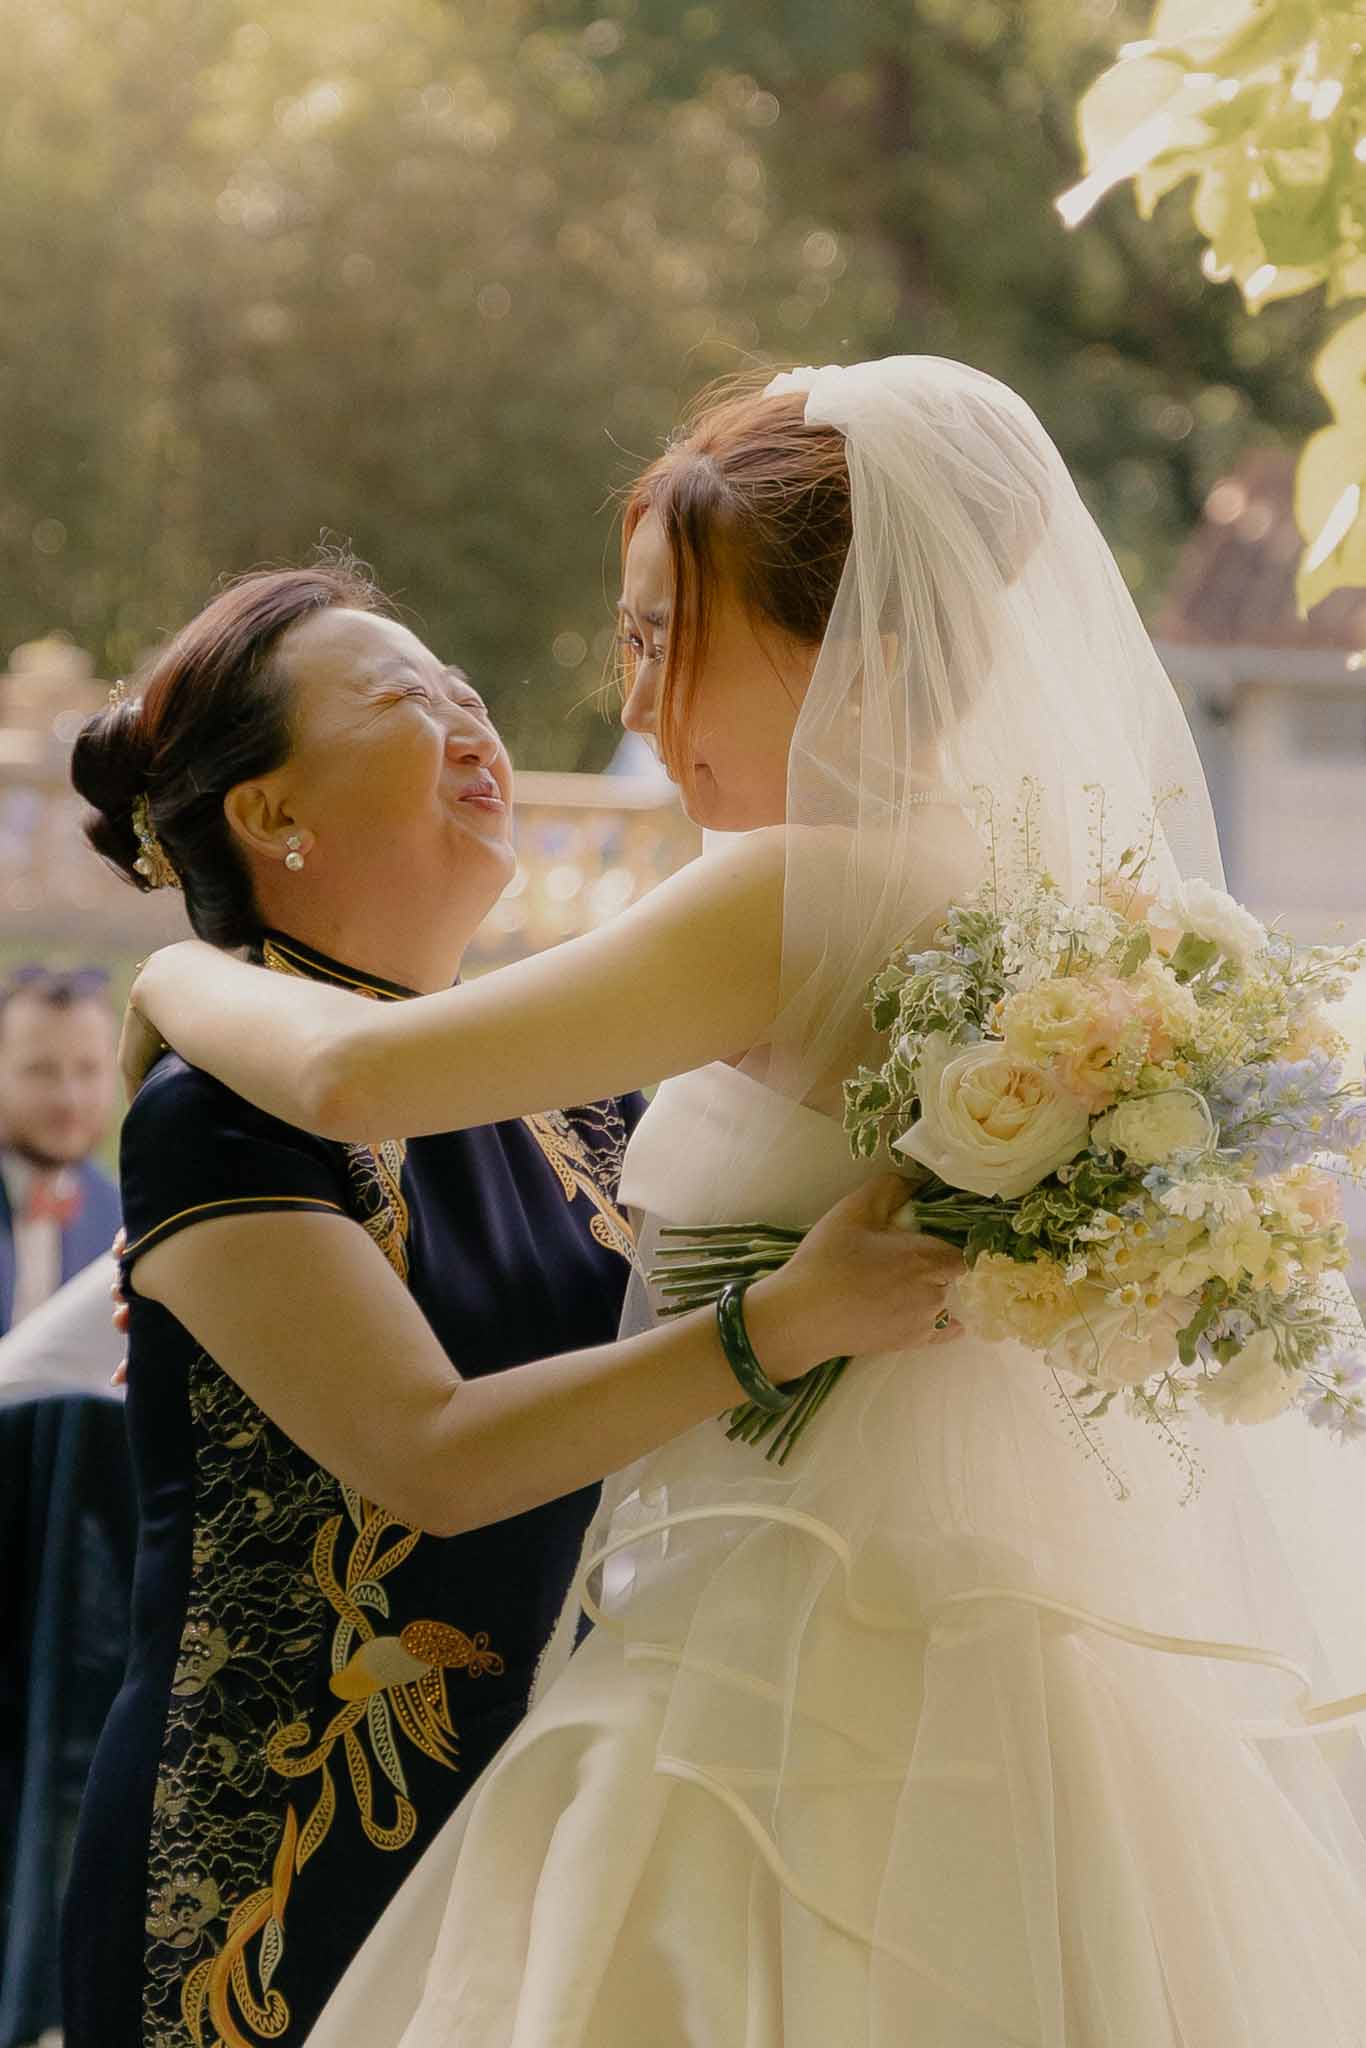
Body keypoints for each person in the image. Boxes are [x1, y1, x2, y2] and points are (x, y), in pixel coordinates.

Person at [121, 359, 1366, 2045]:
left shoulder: (789, 888)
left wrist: (178, 972)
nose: (632, 703)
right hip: (1001, 1640)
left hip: (790, 1641)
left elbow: (354, 1080)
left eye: (660, 637)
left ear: (851, 644)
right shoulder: (1030, 902)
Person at [64, 559, 958, 2048]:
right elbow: (431, 1454)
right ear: (271, 816)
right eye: (402, 697)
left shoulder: (578, 1095)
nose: (467, 717)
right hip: (281, 1852)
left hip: (550, 1806)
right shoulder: (211, 1109)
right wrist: (781, 1325)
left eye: (459, 683)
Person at [0, 969, 127, 2048]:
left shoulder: (127, 1211)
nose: (69, 1094)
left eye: (88, 1068)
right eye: (41, 1069)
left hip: (67, 1550)